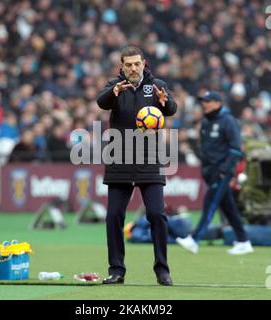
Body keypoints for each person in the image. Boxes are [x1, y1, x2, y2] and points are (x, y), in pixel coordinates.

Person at [97, 46, 177, 286]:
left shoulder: (156, 85)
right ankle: (116, 270)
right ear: (122, 66)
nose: (133, 68)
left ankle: (162, 270)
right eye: (128, 64)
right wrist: (113, 92)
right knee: (113, 216)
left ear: (144, 63)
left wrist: (166, 102)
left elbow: (171, 108)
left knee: (157, 214)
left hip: (149, 158)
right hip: (120, 158)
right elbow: (101, 102)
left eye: (136, 64)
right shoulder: (115, 85)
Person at [176, 91, 253, 255]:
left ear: (218, 103)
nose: (204, 104)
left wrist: (226, 170)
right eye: (203, 101)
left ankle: (194, 239)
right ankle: (244, 241)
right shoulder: (206, 122)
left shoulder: (228, 121)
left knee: (209, 204)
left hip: (221, 172)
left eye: (208, 101)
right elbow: (205, 149)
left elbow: (235, 149)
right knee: (229, 208)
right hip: (210, 171)